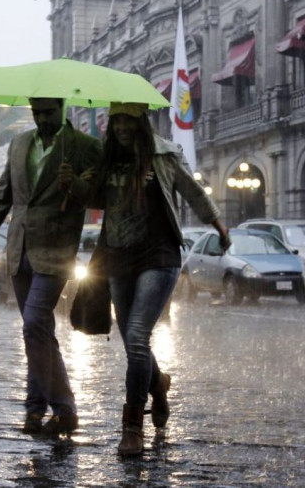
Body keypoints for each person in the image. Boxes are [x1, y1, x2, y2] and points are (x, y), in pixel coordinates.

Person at [92, 102, 230, 456]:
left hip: (159, 254)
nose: (122, 127)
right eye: (117, 121)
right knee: (132, 342)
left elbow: (193, 191)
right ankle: (159, 384)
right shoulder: (106, 160)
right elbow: (91, 198)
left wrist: (218, 224)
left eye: (128, 120)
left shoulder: (165, 155)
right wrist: (72, 182)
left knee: (137, 337)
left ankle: (132, 427)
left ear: (141, 122)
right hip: (118, 257)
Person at [0, 97, 101, 438]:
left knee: (33, 324)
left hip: (55, 252)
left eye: (48, 112)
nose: (42, 119)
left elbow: (99, 197)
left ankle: (35, 408)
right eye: (36, 112)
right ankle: (66, 410)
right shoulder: (20, 143)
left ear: (62, 108)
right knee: (40, 331)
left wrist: (75, 185)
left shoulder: (85, 147)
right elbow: (2, 196)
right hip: (18, 250)